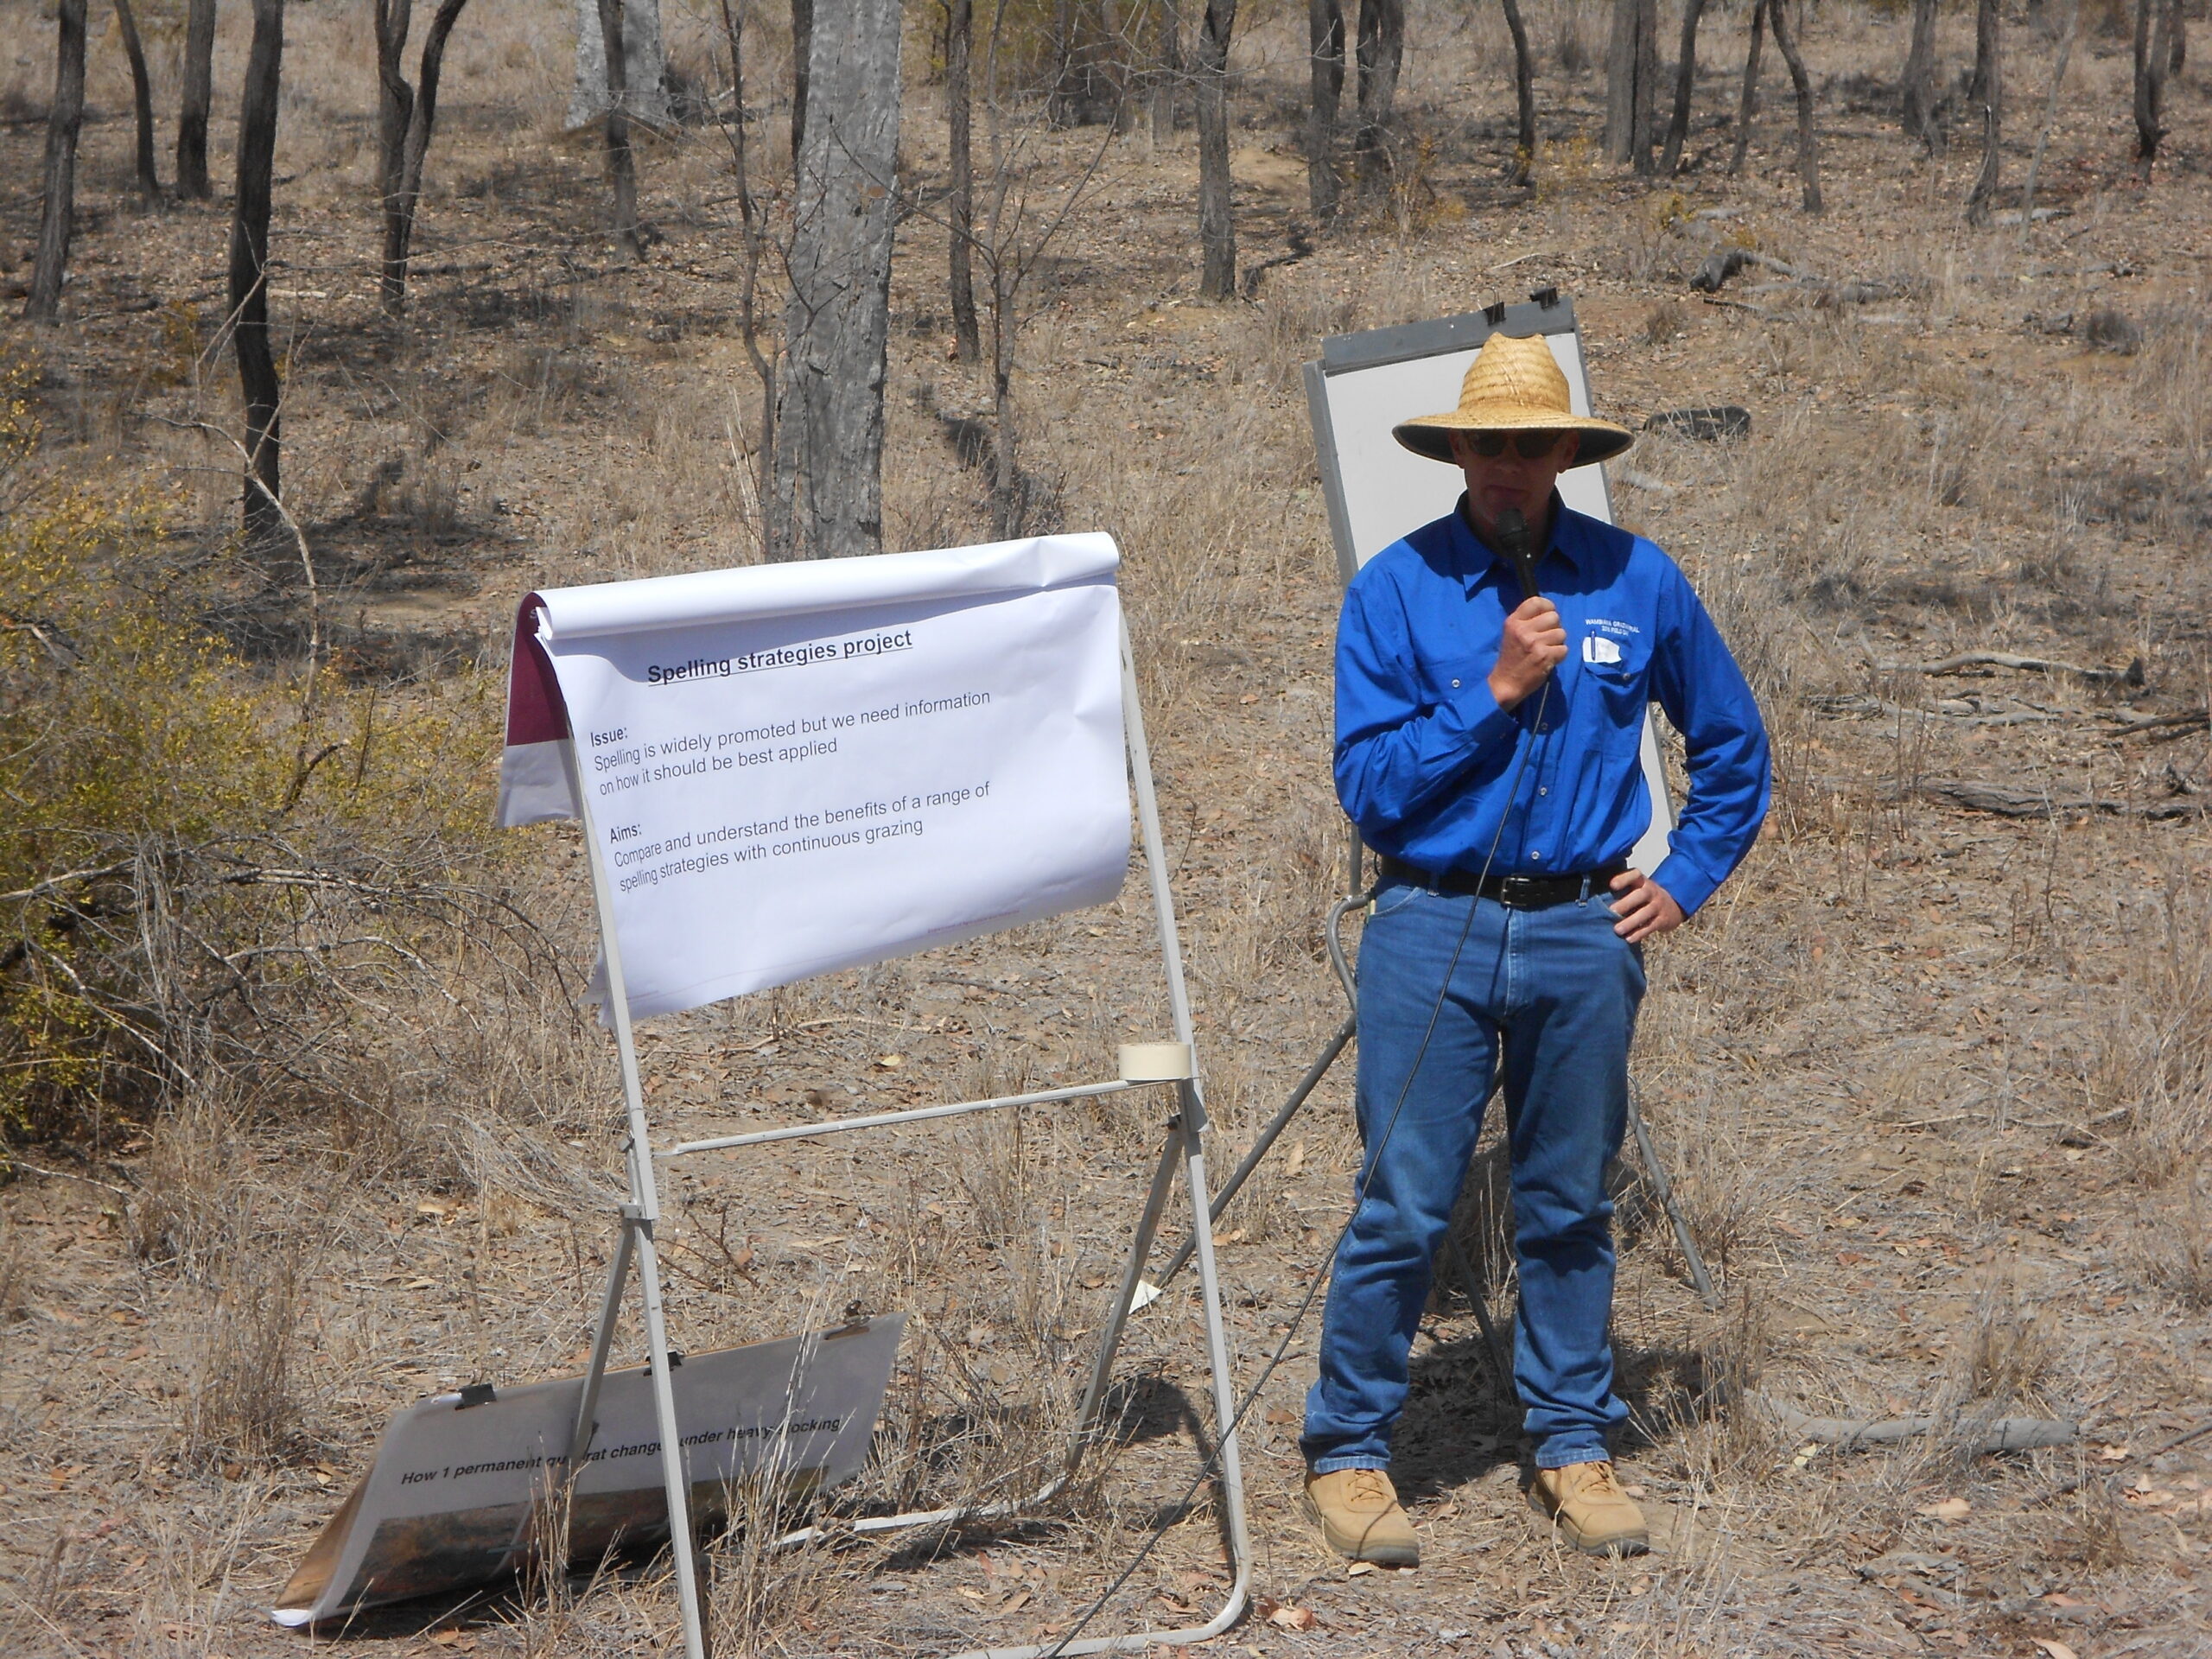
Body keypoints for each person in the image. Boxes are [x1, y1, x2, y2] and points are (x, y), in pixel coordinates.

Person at [1300, 331, 1770, 1564]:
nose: (1507, 466)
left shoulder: (1638, 580)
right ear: (1455, 452)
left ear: (1568, 453)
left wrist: (1683, 881)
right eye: (1486, 445)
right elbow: (1369, 791)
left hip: (1583, 929)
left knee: (1568, 1204)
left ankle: (1571, 1440)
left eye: (1531, 445)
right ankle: (1349, 1453)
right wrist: (1493, 692)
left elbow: (1733, 750)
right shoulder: (1396, 591)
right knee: (1404, 1204)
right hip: (1430, 926)